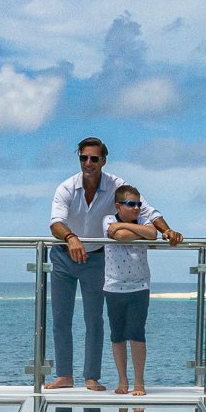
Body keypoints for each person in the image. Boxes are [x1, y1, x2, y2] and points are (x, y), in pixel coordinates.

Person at [46, 137, 181, 390]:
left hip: (95, 257)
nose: (88, 163)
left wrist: (167, 231)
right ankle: (64, 375)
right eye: (83, 158)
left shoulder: (117, 185)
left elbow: (147, 211)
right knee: (60, 318)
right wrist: (71, 237)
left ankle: (91, 377)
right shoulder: (66, 187)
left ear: (103, 160)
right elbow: (55, 222)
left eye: (94, 158)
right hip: (64, 254)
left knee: (94, 319)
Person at [101, 184, 163, 395]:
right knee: (117, 335)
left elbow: (153, 234)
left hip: (140, 285)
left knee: (137, 333)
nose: (137, 208)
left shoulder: (144, 220)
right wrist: (136, 233)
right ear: (118, 206)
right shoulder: (108, 220)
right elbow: (118, 236)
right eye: (131, 204)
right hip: (113, 286)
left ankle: (139, 382)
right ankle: (122, 381)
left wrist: (132, 229)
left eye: (138, 204)